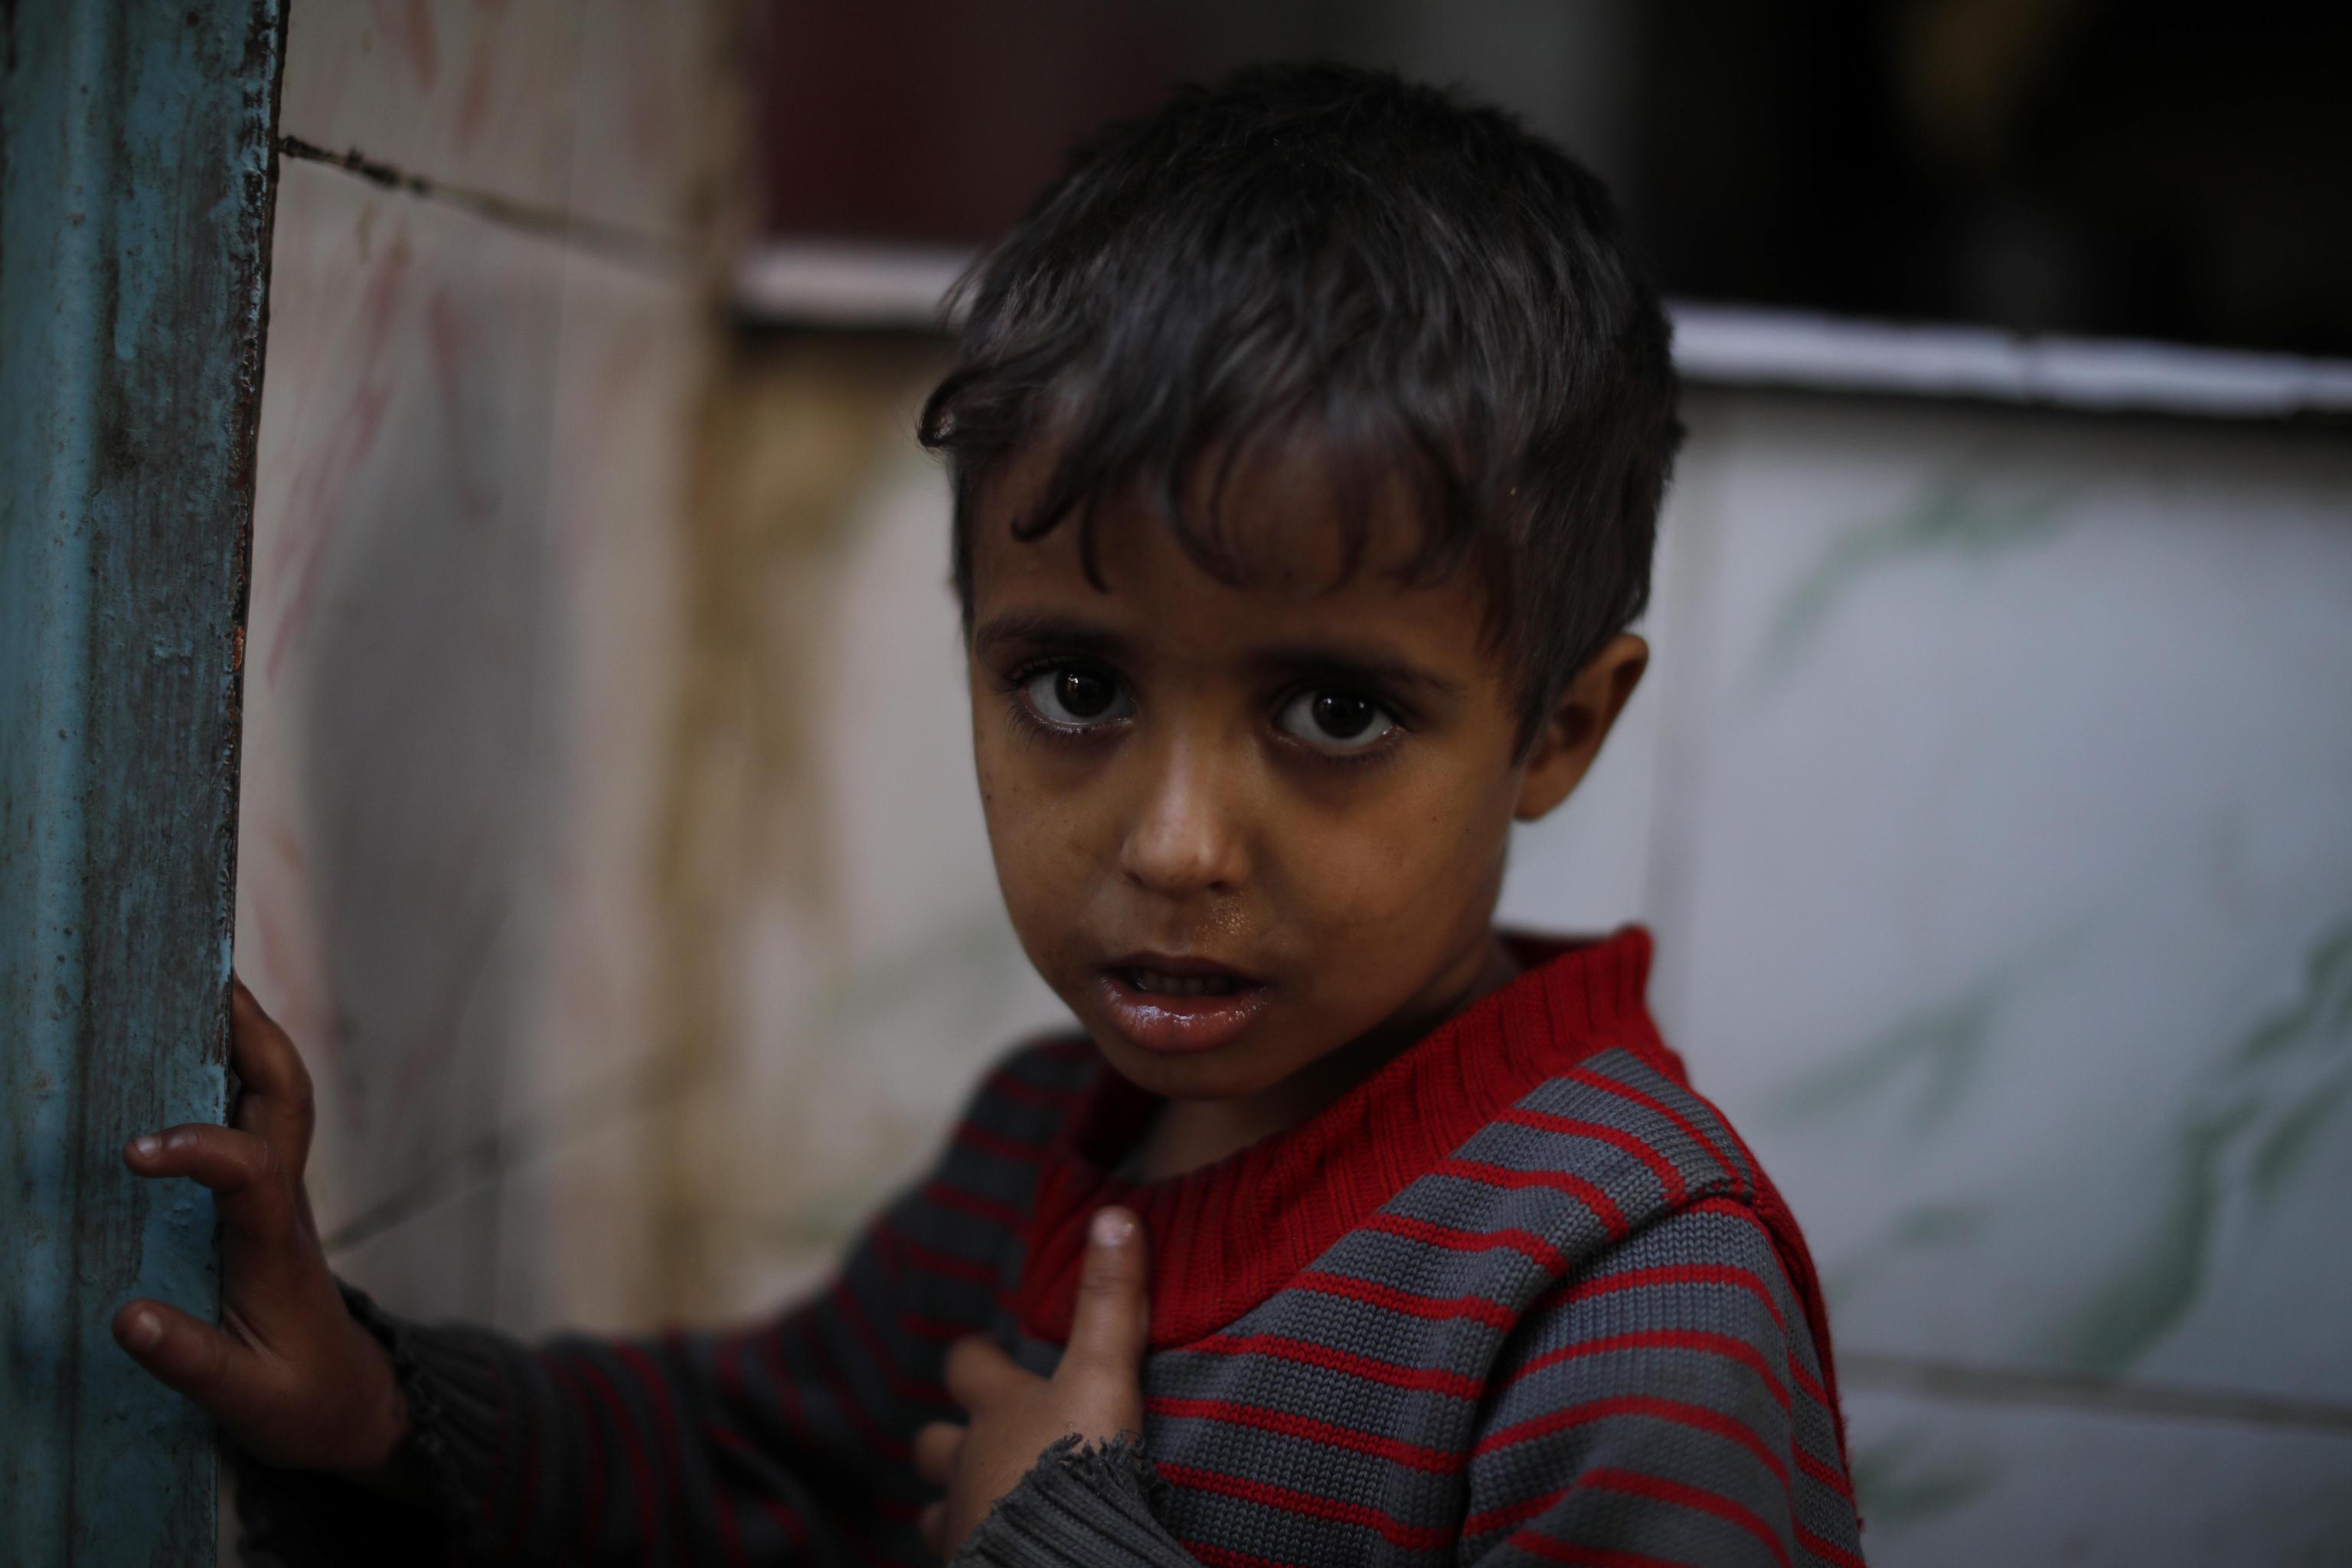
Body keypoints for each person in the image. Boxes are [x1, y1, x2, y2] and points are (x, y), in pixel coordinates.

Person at [114, 63, 1864, 1567]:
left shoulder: (1629, 1299)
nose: (1176, 844)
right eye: (1080, 689)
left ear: (1558, 729)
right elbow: (753, 1474)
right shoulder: (1050, 1144)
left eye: (1334, 711)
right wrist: (372, 1405)